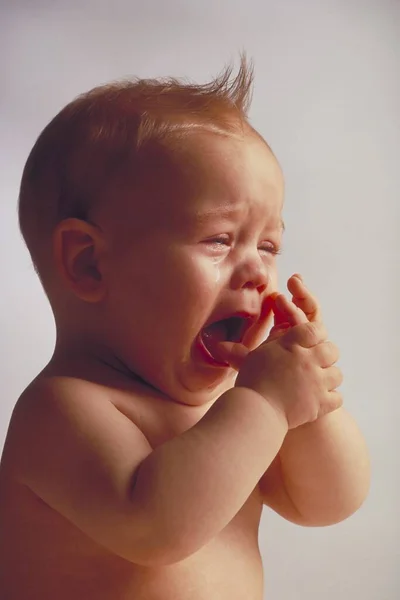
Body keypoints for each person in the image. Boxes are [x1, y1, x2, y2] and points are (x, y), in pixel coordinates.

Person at [0, 57, 370, 600]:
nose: (257, 272)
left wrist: (312, 406)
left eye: (267, 245)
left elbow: (329, 502)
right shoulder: (62, 412)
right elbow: (157, 528)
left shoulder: (231, 407)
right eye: (219, 239)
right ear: (89, 263)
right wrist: (267, 406)